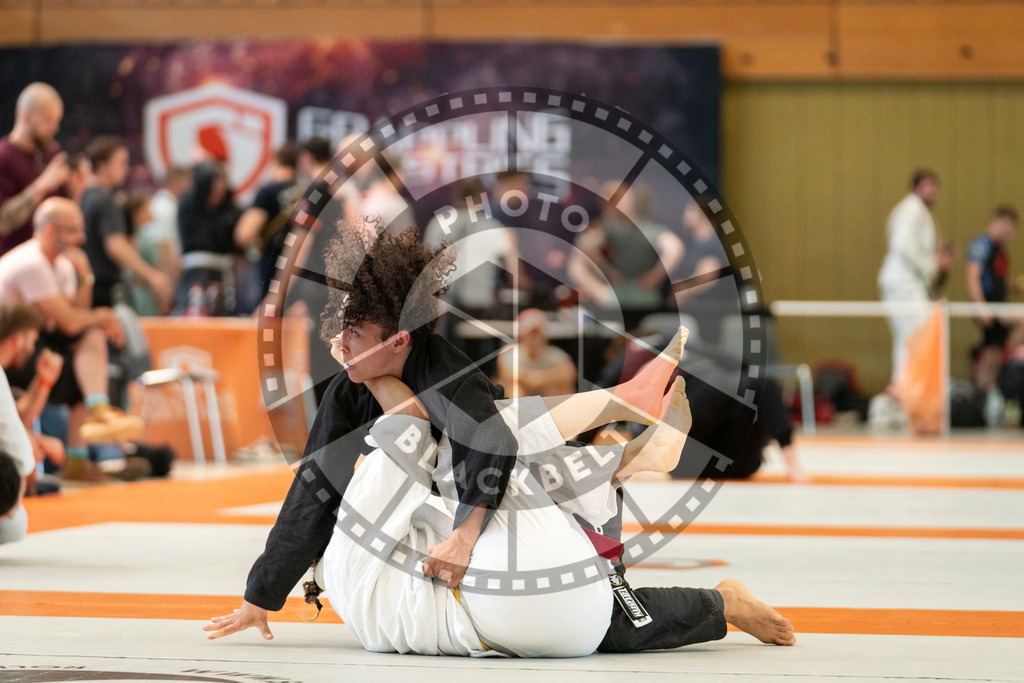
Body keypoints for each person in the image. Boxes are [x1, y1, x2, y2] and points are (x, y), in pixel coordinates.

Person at [204, 222, 795, 652]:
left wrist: (463, 537)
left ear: (401, 340)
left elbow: (497, 445)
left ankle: (617, 435)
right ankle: (721, 602)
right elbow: (315, 487)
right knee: (593, 627)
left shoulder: (451, 374)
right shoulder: (348, 389)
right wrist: (263, 592)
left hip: (537, 489)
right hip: (471, 504)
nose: (341, 345)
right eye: (342, 329)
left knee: (599, 609)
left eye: (356, 334)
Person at [0, 198, 145, 482]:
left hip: (28, 344)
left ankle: (95, 411)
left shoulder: (63, 264)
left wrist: (86, 277)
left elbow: (77, 319)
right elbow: (69, 321)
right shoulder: (32, 263)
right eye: (73, 231)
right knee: (76, 360)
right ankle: (83, 427)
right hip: (10, 351)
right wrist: (102, 314)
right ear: (51, 232)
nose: (81, 238)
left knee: (88, 349)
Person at [878, 170, 954, 391]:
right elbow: (902, 246)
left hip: (911, 285)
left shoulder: (916, 211)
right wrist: (933, 263)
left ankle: (907, 393)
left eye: (934, 186)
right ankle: (906, 393)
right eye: (927, 186)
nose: (932, 191)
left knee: (911, 341)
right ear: (916, 188)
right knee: (913, 341)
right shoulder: (912, 210)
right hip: (904, 285)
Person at [81, 136, 173, 312]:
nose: (126, 168)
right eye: (121, 162)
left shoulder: (84, 197)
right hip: (108, 289)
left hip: (91, 287)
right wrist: (152, 275)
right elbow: (116, 246)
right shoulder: (105, 200)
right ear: (102, 165)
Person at [0, 83, 69, 256]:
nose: (55, 127)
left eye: (57, 120)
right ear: (26, 118)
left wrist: (78, 189)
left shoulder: (52, 153)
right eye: (48, 120)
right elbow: (3, 223)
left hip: (51, 260)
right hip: (14, 263)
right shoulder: (4, 157)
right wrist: (43, 185)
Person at [234, 143, 301, 305]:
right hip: (299, 267)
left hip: (273, 263)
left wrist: (256, 244)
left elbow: (243, 234)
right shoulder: (305, 191)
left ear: (274, 162)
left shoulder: (268, 191)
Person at [966, 205, 1022, 393]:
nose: (1008, 230)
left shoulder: (1001, 250)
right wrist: (981, 308)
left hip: (998, 305)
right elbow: (972, 277)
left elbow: (999, 281)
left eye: (1011, 226)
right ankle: (1008, 355)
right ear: (995, 222)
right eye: (1005, 224)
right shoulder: (982, 245)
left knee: (991, 353)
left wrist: (1016, 288)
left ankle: (983, 392)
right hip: (990, 306)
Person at [175, 161, 240, 315]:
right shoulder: (189, 206)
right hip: (196, 273)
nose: (220, 189)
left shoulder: (228, 210)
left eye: (223, 183)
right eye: (215, 184)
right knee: (195, 312)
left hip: (222, 274)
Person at [496, 308, 576, 398]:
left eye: (538, 333)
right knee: (515, 387)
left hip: (546, 395)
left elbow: (569, 373)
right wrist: (545, 377)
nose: (535, 338)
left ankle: (558, 411)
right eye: (531, 333)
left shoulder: (555, 354)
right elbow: (509, 374)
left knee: (556, 387)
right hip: (522, 396)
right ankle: (518, 411)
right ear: (521, 334)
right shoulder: (510, 354)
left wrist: (540, 378)